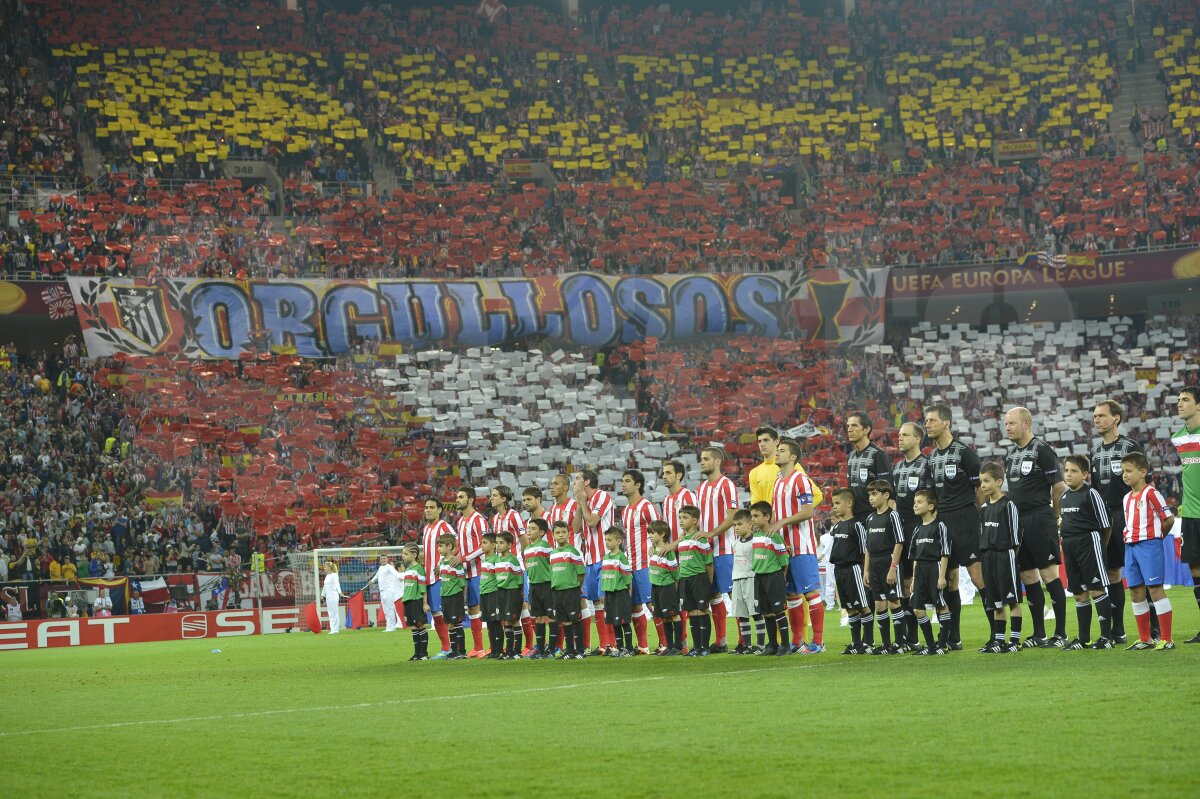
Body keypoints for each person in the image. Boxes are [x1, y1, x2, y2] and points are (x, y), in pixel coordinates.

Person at [1004, 406, 1069, 648]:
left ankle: (1060, 633)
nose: (1007, 427)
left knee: (1049, 574)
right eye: (1006, 424)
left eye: (1012, 423)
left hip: (1040, 519)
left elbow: (1059, 487)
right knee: (1028, 577)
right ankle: (1039, 634)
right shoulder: (1010, 455)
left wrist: (1053, 517)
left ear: (1026, 424)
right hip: (1018, 522)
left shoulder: (1042, 450)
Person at [922, 403, 984, 650]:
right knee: (948, 580)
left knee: (977, 576)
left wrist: (978, 517)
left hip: (965, 520)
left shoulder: (963, 452)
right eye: (926, 421)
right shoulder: (932, 458)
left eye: (932, 420)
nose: (927, 425)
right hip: (942, 522)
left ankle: (998, 634)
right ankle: (953, 637)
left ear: (946, 423)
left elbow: (979, 487)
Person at [1089, 399, 1143, 642]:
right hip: (1105, 518)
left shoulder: (1131, 447)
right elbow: (1095, 489)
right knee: (1111, 572)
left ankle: (1152, 629)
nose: (1097, 420)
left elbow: (1142, 483)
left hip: (1129, 514)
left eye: (1101, 416)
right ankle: (1118, 631)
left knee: (1140, 571)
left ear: (1116, 418)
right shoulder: (1095, 451)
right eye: (1095, 417)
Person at [768, 437, 825, 654]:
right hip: (783, 550)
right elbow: (776, 513)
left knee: (811, 594)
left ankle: (818, 643)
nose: (777, 453)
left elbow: (808, 511)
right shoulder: (778, 481)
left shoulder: (801, 479)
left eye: (781, 450)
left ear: (793, 456)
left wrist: (781, 522)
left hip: (801, 547)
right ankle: (797, 641)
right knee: (791, 597)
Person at [1120, 452, 1177, 650]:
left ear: (1143, 472)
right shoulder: (1126, 497)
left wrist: (1156, 537)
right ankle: (1145, 639)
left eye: (1129, 471)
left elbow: (1168, 519)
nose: (1125, 475)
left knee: (1155, 589)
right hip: (1131, 547)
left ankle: (1167, 639)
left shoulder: (1152, 494)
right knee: (1135, 591)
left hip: (1149, 546)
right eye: (1123, 471)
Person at [1058, 455, 1114, 649]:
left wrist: (1100, 546)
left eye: (1074, 471)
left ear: (1085, 475)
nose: (1069, 474)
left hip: (1089, 543)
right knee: (1079, 593)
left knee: (1096, 590)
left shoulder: (1091, 494)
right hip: (1069, 546)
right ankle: (1084, 639)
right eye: (1066, 470)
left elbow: (1106, 525)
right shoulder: (1063, 497)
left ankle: (1106, 638)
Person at [695, 446, 740, 653]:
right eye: (701, 459)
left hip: (725, 550)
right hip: (706, 552)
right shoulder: (701, 488)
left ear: (717, 462)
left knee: (734, 594)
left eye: (705, 459)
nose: (702, 462)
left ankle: (744, 641)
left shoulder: (727, 485)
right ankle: (721, 642)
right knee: (713, 597)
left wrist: (712, 533)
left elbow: (733, 517)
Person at [977, 462, 1023, 654]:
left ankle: (1014, 641)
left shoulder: (1008, 504)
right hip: (988, 557)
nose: (983, 485)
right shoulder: (985, 507)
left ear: (999, 481)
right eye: (981, 482)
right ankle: (999, 640)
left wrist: (1010, 557)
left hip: (1006, 555)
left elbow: (1016, 537)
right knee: (995, 601)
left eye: (987, 481)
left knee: (1012, 600)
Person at [893, 421, 928, 643]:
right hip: (902, 529)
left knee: (921, 582)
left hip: (921, 528)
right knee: (905, 583)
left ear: (917, 439)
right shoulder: (896, 468)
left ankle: (948, 635)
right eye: (899, 434)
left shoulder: (927, 464)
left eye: (905, 435)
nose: (900, 438)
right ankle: (912, 637)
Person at [1170, 386, 1200, 643]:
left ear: (1198, 406)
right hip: (1190, 514)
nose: (1180, 404)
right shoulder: (1178, 438)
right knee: (1196, 570)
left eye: (1186, 400)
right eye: (1178, 400)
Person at [572, 469, 614, 655]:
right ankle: (604, 644)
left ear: (587, 482)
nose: (575, 482)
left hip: (604, 557)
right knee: (596, 602)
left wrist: (582, 502)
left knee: (606, 601)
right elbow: (576, 528)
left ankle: (613, 644)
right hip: (589, 558)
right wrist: (580, 504)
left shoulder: (602, 496)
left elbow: (591, 522)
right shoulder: (583, 501)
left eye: (578, 479)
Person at [862, 480, 906, 653]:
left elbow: (899, 542)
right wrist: (866, 570)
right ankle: (886, 645)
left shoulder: (892, 515)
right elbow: (867, 548)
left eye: (874, 494)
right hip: (874, 564)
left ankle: (900, 644)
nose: (871, 498)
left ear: (886, 495)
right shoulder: (870, 518)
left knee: (894, 602)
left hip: (888, 561)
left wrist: (893, 567)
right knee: (880, 605)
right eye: (869, 494)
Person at [619, 468, 659, 655]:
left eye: (627, 481)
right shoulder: (626, 510)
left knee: (652, 604)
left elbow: (659, 529)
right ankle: (643, 646)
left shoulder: (646, 506)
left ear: (637, 485)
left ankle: (665, 643)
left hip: (646, 563)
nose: (623, 484)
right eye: (622, 480)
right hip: (631, 563)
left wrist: (656, 552)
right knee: (635, 605)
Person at [827, 489, 871, 654]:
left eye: (837, 503)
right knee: (850, 608)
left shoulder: (857, 525)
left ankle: (867, 643)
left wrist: (865, 571)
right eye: (833, 504)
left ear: (849, 503)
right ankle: (856, 644)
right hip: (839, 570)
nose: (834, 507)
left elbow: (865, 550)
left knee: (863, 606)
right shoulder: (838, 526)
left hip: (853, 569)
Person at [908, 489, 952, 655]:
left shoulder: (939, 526)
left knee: (940, 605)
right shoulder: (917, 529)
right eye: (915, 502)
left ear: (931, 506)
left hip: (935, 567)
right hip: (920, 571)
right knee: (918, 609)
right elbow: (915, 556)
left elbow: (945, 553)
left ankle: (941, 645)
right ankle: (931, 645)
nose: (915, 505)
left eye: (920, 502)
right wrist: (913, 579)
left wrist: (941, 576)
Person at [748, 501, 791, 656]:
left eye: (756, 516)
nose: (752, 519)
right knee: (766, 612)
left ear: (767, 517)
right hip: (759, 577)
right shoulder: (755, 536)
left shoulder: (775, 536)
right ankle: (772, 645)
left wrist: (782, 577)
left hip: (774, 577)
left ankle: (785, 645)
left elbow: (784, 559)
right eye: (751, 516)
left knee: (778, 611)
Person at [453, 487, 487, 658]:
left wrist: (463, 558)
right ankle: (478, 648)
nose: (457, 500)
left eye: (461, 497)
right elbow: (459, 545)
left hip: (479, 570)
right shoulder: (460, 522)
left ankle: (501, 646)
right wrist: (452, 556)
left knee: (487, 608)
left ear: (471, 500)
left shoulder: (478, 520)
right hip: (465, 572)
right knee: (472, 609)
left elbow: (484, 546)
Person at [675, 505, 714, 655]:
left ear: (695, 520)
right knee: (691, 612)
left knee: (702, 610)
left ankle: (705, 647)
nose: (681, 520)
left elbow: (708, 563)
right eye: (680, 517)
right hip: (685, 579)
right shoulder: (681, 540)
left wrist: (708, 581)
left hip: (699, 578)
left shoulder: (700, 539)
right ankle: (696, 647)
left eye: (685, 517)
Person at [421, 498, 455, 657]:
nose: (428, 510)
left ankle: (454, 647)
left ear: (440, 510)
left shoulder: (444, 526)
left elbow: (456, 544)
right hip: (429, 576)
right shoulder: (426, 528)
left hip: (441, 576)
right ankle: (446, 648)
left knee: (445, 613)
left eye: (432, 507)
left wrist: (442, 563)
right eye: (426, 507)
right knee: (435, 613)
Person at [846, 412, 893, 525]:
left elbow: (888, 489)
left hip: (873, 516)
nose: (849, 429)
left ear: (866, 429)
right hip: (855, 516)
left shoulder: (878, 454)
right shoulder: (850, 457)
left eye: (854, 425)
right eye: (848, 426)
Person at [549, 520, 586, 659]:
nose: (561, 535)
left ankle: (580, 650)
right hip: (557, 591)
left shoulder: (572, 551)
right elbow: (552, 573)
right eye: (557, 533)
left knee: (575, 619)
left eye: (563, 532)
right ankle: (570, 650)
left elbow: (581, 573)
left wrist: (577, 586)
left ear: (569, 534)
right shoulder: (552, 554)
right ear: (553, 535)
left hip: (571, 590)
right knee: (565, 621)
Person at [648, 520, 683, 655]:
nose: (650, 535)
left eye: (652, 533)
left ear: (662, 534)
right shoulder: (653, 550)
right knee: (664, 617)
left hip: (667, 587)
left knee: (674, 615)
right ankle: (669, 646)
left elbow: (675, 572)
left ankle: (678, 646)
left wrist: (675, 588)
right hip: (655, 586)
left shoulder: (668, 551)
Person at [730, 509, 762, 655]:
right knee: (741, 614)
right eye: (735, 525)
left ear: (749, 525)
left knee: (756, 613)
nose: (736, 527)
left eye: (739, 524)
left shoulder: (755, 542)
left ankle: (760, 645)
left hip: (751, 579)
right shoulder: (735, 543)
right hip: (737, 580)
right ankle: (747, 646)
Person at [523, 517, 556, 658]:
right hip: (534, 586)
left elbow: (553, 565)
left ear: (542, 532)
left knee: (552, 617)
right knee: (538, 618)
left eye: (533, 528)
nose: (529, 531)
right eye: (528, 528)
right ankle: (541, 650)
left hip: (547, 585)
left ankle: (553, 649)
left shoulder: (546, 547)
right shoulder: (527, 550)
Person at [600, 528, 634, 656]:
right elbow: (605, 575)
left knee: (624, 622)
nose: (607, 543)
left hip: (620, 594)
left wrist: (628, 593)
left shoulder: (622, 557)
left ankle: (629, 648)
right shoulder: (606, 557)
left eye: (609, 540)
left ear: (619, 541)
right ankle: (620, 648)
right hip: (609, 594)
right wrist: (604, 592)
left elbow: (627, 577)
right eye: (606, 540)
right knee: (614, 623)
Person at [493, 532, 525, 659]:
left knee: (514, 620)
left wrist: (519, 594)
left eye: (501, 543)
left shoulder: (513, 560)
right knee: (506, 621)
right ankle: (509, 651)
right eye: (497, 543)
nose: (498, 546)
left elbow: (519, 579)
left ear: (509, 545)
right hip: (501, 592)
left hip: (512, 593)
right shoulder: (497, 560)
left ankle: (517, 651)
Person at [437, 535, 468, 659]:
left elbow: (463, 583)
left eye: (441, 546)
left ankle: (462, 651)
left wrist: (463, 599)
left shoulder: (456, 563)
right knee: (450, 624)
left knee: (457, 623)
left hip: (455, 597)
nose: (438, 549)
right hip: (445, 597)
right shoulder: (442, 563)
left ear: (449, 546)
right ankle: (454, 651)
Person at [399, 544, 429, 661]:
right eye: (403, 553)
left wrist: (425, 602)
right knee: (413, 627)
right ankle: (417, 653)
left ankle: (424, 653)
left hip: (416, 601)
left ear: (414, 555)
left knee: (420, 625)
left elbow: (423, 587)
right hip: (407, 600)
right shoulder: (407, 569)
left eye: (406, 554)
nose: (403, 556)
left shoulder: (419, 569)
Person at [479, 533, 502, 658]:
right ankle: (493, 650)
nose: (482, 545)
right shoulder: (485, 560)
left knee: (496, 622)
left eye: (484, 543)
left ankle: (499, 650)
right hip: (484, 593)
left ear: (493, 545)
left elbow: (498, 578)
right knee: (488, 622)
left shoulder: (496, 560)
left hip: (493, 593)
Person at [368, 554, 403, 632]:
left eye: (384, 558)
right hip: (382, 591)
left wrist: (400, 577)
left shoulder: (389, 567)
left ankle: (392, 627)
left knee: (389, 608)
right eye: (381, 559)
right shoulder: (380, 568)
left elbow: (395, 573)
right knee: (385, 609)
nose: (383, 560)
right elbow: (376, 576)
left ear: (387, 559)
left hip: (389, 591)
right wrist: (372, 581)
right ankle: (389, 626)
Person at [322, 561, 348, 634]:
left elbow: (337, 584)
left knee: (334, 612)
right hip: (328, 596)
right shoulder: (327, 576)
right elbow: (325, 586)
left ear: (329, 567)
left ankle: (335, 629)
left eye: (325, 566)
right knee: (330, 613)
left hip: (333, 596)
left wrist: (340, 592)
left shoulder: (334, 575)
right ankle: (332, 628)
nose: (324, 568)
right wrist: (322, 595)